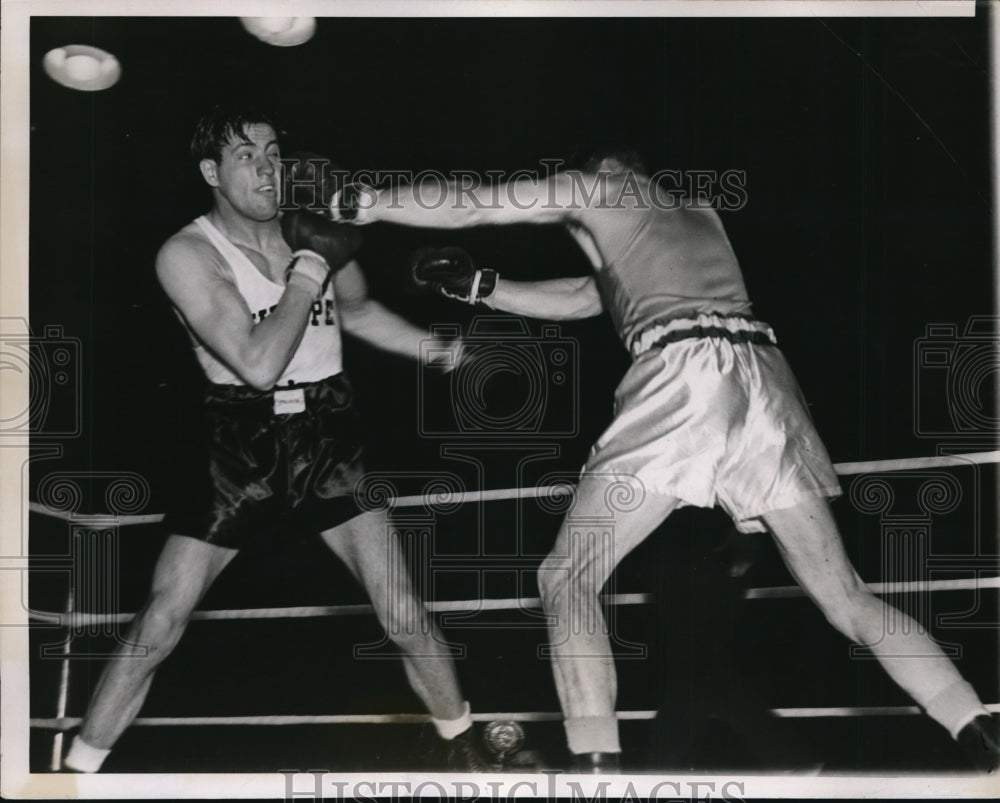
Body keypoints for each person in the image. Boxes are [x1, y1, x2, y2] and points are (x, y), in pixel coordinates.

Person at [330, 151, 1000, 773]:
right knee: (846, 595)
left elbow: (476, 203)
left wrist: (365, 200)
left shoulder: (603, 182)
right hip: (762, 380)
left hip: (686, 377)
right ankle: (977, 727)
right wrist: (483, 286)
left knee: (567, 575)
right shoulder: (690, 218)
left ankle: (598, 770)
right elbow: (587, 298)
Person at [62, 107, 489, 773]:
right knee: (161, 618)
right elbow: (257, 362)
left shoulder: (311, 225)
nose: (267, 166)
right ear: (212, 171)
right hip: (240, 441)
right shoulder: (187, 253)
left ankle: (468, 750)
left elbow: (357, 309)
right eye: (246, 154)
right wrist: (312, 262)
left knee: (403, 608)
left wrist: (438, 351)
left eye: (273, 152)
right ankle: (73, 774)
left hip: (330, 434)